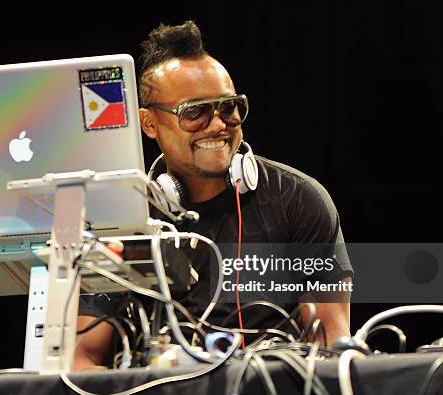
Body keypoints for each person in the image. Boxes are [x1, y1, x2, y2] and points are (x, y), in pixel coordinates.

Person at [73, 21, 353, 371]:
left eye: (228, 107)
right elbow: (81, 359)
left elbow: (331, 348)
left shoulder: (297, 199)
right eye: (195, 112)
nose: (218, 123)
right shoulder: (124, 217)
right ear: (149, 124)